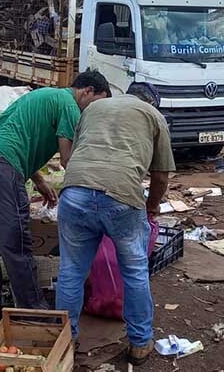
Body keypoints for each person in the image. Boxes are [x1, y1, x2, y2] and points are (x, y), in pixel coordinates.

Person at [0, 70, 111, 333]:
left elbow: (13, 136)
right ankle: (35, 313)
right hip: (1, 168)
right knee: (17, 245)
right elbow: (68, 160)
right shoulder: (70, 105)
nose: (94, 110)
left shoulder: (47, 96)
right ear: (86, 92)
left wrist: (40, 180)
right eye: (96, 102)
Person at [55, 83, 176, 366]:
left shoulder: (94, 107)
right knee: (134, 271)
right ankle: (139, 344)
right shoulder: (153, 116)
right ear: (151, 102)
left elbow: (73, 153)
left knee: (71, 271)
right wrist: (152, 206)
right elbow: (160, 177)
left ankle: (65, 342)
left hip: (74, 192)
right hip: (121, 197)